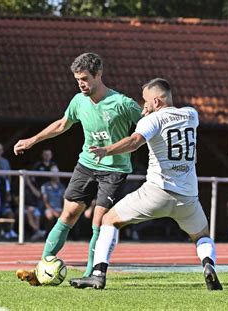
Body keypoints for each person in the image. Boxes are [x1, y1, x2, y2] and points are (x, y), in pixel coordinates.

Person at [69, 78, 222, 291]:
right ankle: (208, 265)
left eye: (147, 101)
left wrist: (106, 150)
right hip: (188, 196)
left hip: (157, 191)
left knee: (109, 220)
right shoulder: (191, 114)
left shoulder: (151, 120)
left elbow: (134, 142)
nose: (144, 106)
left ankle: (98, 274)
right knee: (202, 236)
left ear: (157, 101)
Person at [14, 52, 142, 284]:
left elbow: (145, 128)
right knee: (68, 215)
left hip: (114, 170)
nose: (81, 83)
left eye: (84, 78)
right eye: (77, 79)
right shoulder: (78, 101)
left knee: (98, 222)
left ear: (98, 74)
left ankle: (91, 275)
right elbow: (63, 124)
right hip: (86, 166)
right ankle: (42, 267)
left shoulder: (122, 104)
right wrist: (32, 140)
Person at [40, 165, 66, 234]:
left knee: (68, 215)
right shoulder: (45, 186)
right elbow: (45, 202)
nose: (55, 174)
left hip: (60, 209)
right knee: (50, 215)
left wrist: (64, 210)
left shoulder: (62, 186)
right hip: (49, 209)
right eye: (53, 172)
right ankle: (48, 234)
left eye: (56, 172)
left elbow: (64, 200)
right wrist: (53, 211)